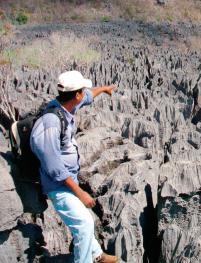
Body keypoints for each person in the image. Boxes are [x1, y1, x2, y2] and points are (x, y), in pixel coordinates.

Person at [30, 71, 119, 263]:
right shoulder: (51, 122)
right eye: (82, 90)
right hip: (58, 186)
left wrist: (104, 89)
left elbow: (88, 96)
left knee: (86, 220)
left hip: (69, 180)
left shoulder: (66, 105)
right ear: (75, 94)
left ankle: (97, 255)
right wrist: (80, 192)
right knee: (84, 223)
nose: (85, 93)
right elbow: (54, 167)